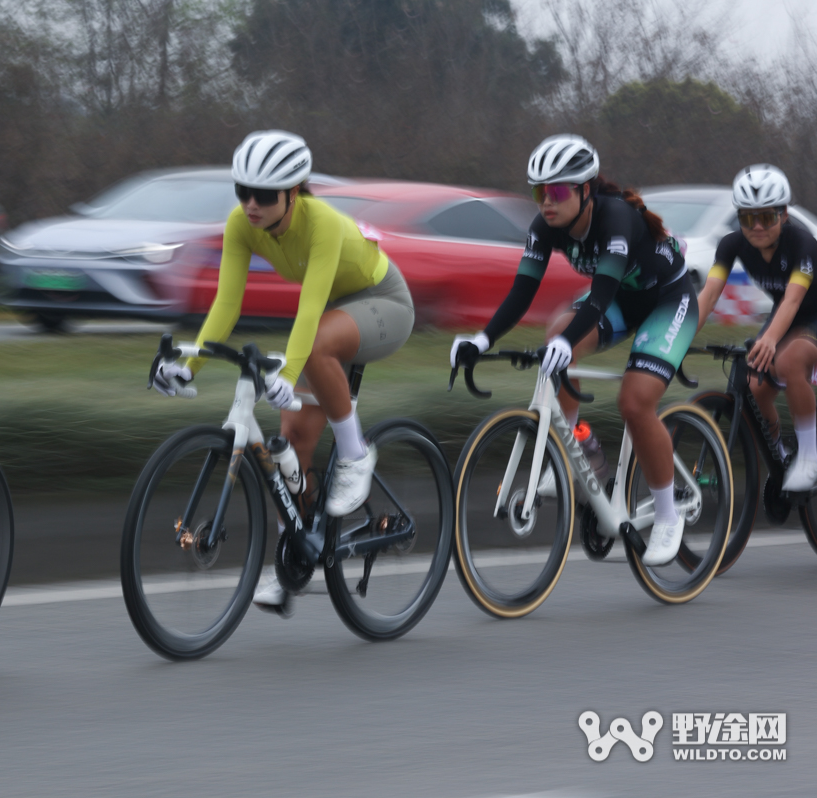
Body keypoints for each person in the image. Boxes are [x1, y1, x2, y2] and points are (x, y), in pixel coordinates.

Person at [152, 130, 414, 611]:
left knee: (312, 347)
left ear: (295, 192)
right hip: (332, 315)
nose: (251, 204)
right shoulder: (241, 224)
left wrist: (287, 372)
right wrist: (189, 364)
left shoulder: (323, 224)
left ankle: (357, 454)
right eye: (242, 191)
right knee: (287, 446)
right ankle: (293, 560)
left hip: (383, 303)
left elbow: (310, 311)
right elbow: (226, 304)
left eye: (265, 195)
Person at [450, 134, 696, 566]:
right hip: (623, 299)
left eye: (558, 191)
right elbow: (520, 293)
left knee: (634, 401)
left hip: (666, 301)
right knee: (557, 331)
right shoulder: (546, 228)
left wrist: (567, 343)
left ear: (585, 191)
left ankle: (667, 515)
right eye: (539, 191)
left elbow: (600, 295)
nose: (547, 201)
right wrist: (481, 340)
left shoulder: (616, 218)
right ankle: (578, 448)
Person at [696, 164, 817, 491]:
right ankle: (778, 453)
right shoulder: (731, 245)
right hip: (788, 315)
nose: (758, 227)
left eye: (767, 217)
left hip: (811, 312)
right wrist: (678, 339)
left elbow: (793, 301)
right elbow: (708, 296)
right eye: (749, 218)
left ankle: (809, 454)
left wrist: (770, 339)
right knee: (754, 385)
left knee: (789, 360)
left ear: (784, 214)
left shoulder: (804, 244)